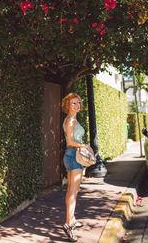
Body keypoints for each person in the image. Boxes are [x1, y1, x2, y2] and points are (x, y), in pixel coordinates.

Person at [62, 93, 92, 242]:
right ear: (67, 106)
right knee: (73, 192)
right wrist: (84, 145)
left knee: (73, 190)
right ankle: (68, 224)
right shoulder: (70, 121)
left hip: (73, 155)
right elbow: (70, 140)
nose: (77, 105)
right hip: (74, 155)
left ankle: (72, 219)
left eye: (78, 102)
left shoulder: (73, 119)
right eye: (73, 103)